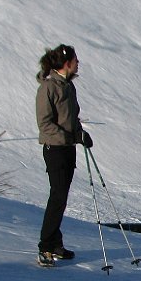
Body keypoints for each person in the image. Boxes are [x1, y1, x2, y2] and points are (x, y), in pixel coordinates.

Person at [35, 44, 93, 267]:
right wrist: (70, 137)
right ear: (66, 62)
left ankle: (55, 243)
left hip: (67, 148)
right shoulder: (48, 88)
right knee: (57, 197)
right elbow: (45, 124)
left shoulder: (68, 87)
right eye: (76, 60)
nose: (78, 63)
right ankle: (45, 247)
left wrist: (80, 134)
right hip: (55, 149)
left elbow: (72, 118)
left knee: (62, 197)